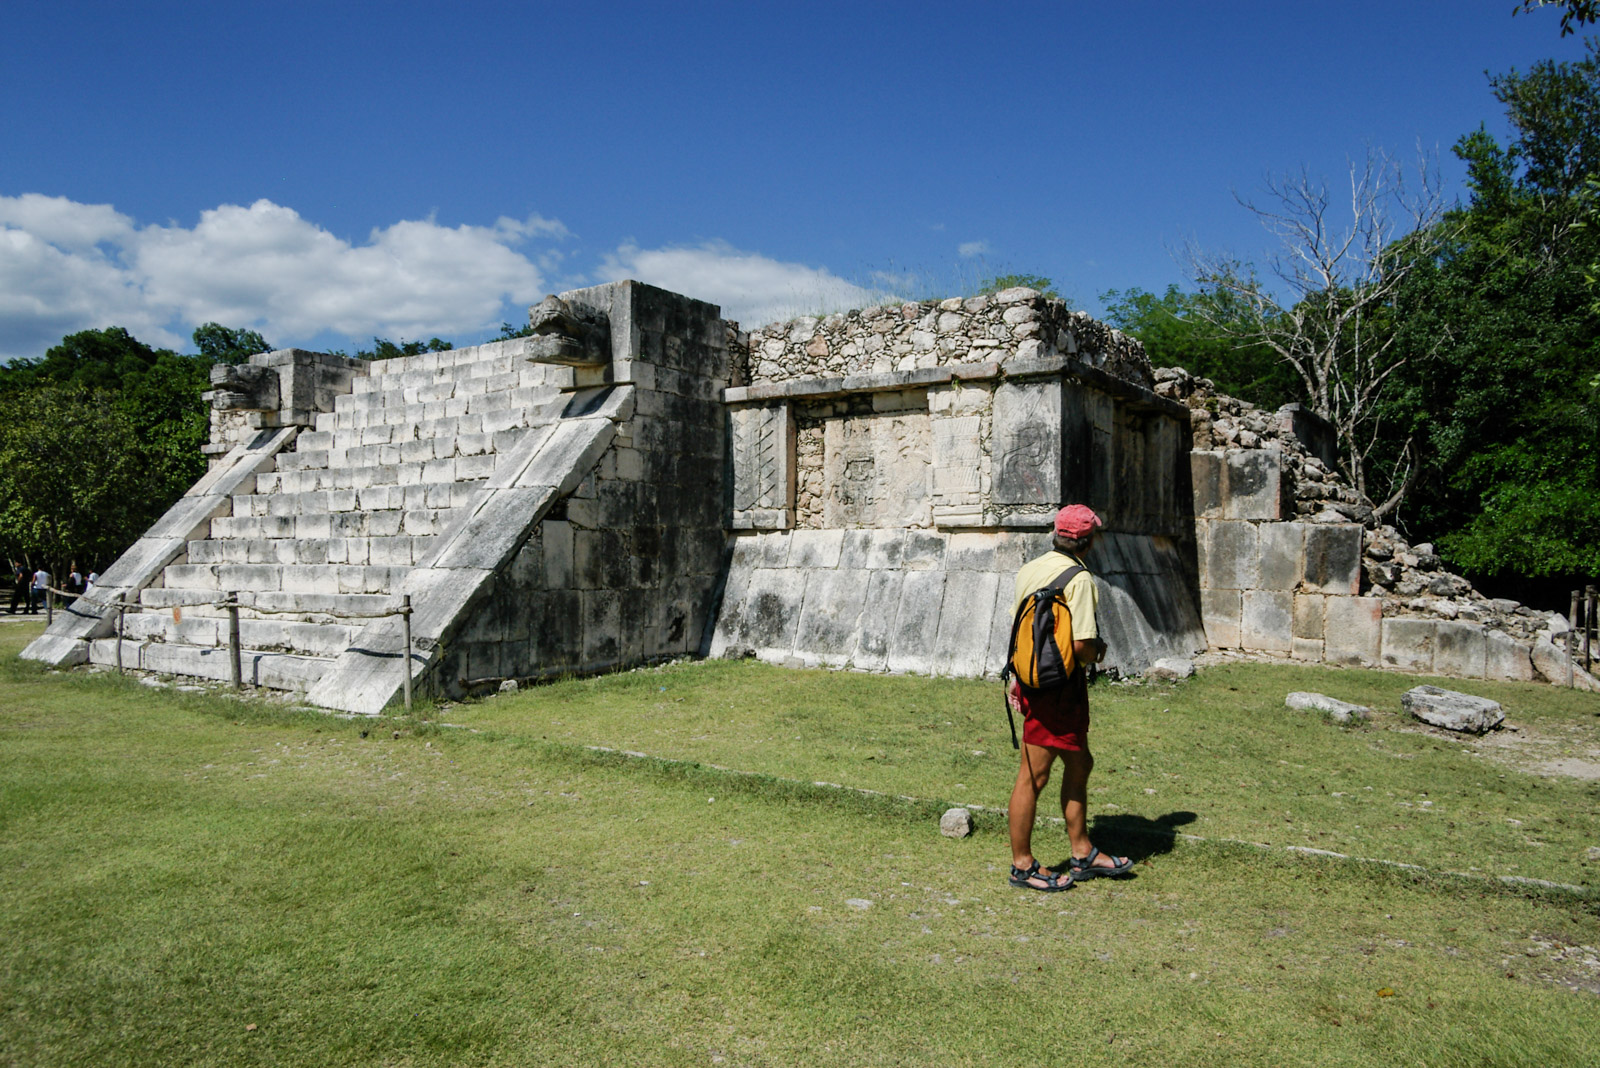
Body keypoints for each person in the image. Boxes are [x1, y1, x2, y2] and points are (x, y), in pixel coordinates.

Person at [1006, 503, 1133, 891]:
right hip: (1059, 689)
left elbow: (1018, 630)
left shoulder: (1030, 569)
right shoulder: (1079, 580)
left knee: (1080, 764)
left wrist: (1017, 676)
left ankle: (1083, 852)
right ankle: (1023, 866)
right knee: (1034, 775)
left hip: (1034, 680)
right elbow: (1080, 647)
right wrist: (1101, 652)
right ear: (1087, 540)